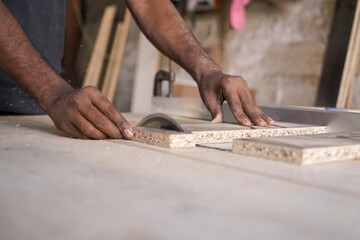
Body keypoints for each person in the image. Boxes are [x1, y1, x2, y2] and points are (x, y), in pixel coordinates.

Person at [0, 0, 274, 140]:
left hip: (34, 111)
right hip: (43, 94)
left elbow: (147, 3)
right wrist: (51, 89)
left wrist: (206, 70)